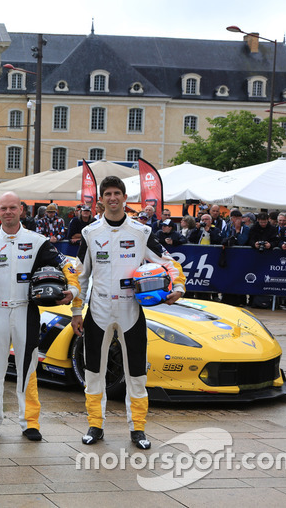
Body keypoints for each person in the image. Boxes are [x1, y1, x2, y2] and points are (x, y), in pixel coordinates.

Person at [71, 176, 185, 450]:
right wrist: (76, 311)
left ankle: (138, 429)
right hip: (98, 311)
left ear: (124, 197)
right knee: (93, 372)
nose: (112, 198)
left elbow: (168, 261)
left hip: (130, 310)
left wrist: (178, 287)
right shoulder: (90, 233)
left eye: (117, 193)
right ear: (100, 199)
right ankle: (95, 425)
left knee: (136, 373)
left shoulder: (141, 232)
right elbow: (80, 275)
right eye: (107, 194)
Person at [0, 191, 79, 441]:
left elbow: (68, 266)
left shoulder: (38, 241)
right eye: (2, 208)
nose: (7, 212)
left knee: (28, 368)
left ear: (22, 209)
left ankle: (29, 422)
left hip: (26, 310)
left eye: (12, 208)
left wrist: (72, 290)